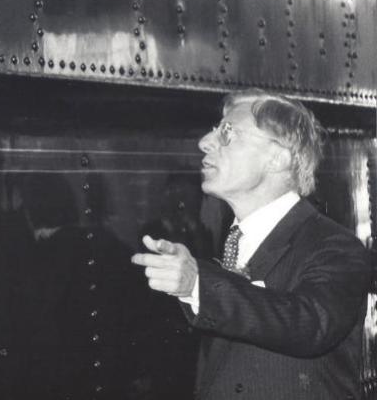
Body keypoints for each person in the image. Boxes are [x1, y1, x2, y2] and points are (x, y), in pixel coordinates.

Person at [132, 89, 369, 400]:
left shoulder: (336, 246)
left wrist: (198, 284)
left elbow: (311, 324)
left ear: (278, 158)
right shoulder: (229, 244)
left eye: (228, 132)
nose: (205, 142)